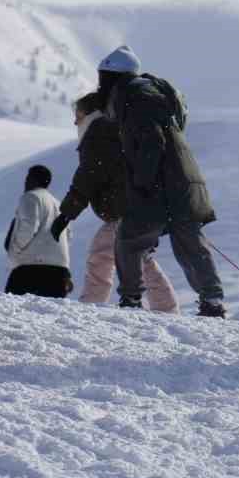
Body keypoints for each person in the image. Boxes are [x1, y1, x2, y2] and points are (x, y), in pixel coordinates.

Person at [83, 45, 225, 316]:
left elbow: (151, 142)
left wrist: (142, 183)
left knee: (128, 239)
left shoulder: (134, 95)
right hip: (182, 180)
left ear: (113, 78)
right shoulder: (153, 93)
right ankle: (213, 301)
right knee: (190, 242)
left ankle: (131, 300)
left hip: (160, 183)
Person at [50, 88, 178, 311]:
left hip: (124, 212)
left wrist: (66, 213)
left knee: (106, 256)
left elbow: (88, 177)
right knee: (136, 258)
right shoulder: (114, 131)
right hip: (133, 210)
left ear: (90, 114)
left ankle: (93, 305)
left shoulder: (99, 135)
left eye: (78, 116)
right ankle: (165, 307)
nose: (74, 122)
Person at [4, 164, 72, 297]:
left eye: (27, 178)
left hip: (31, 268)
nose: (25, 183)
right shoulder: (58, 204)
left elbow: (28, 226)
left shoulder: (31, 197)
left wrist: (15, 251)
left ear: (32, 179)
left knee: (13, 310)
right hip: (59, 271)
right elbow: (68, 235)